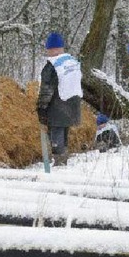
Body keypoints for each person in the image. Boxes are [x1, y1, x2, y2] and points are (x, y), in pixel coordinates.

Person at [36, 31, 83, 166]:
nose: (47, 52)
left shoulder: (52, 65)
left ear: (52, 49)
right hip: (73, 104)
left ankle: (59, 161)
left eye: (48, 49)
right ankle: (64, 158)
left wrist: (41, 109)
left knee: (56, 132)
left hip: (57, 105)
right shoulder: (73, 62)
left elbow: (46, 90)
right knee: (64, 131)